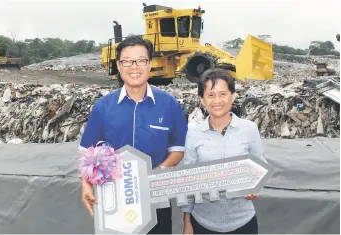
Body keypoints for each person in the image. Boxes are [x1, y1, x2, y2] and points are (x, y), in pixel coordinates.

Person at [79, 35, 188, 234]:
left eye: (140, 60)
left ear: (149, 64)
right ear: (119, 66)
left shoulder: (168, 104)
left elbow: (178, 150)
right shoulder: (103, 107)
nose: (134, 67)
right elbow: (87, 153)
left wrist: (154, 174)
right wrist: (86, 185)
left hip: (156, 198)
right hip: (115, 199)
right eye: (127, 61)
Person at [181, 68, 267, 234]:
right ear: (202, 99)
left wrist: (255, 186)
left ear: (233, 96)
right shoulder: (194, 133)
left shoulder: (249, 129)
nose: (217, 100)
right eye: (211, 95)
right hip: (203, 223)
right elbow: (188, 182)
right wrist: (187, 222)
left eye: (223, 94)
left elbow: (260, 168)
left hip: (243, 222)